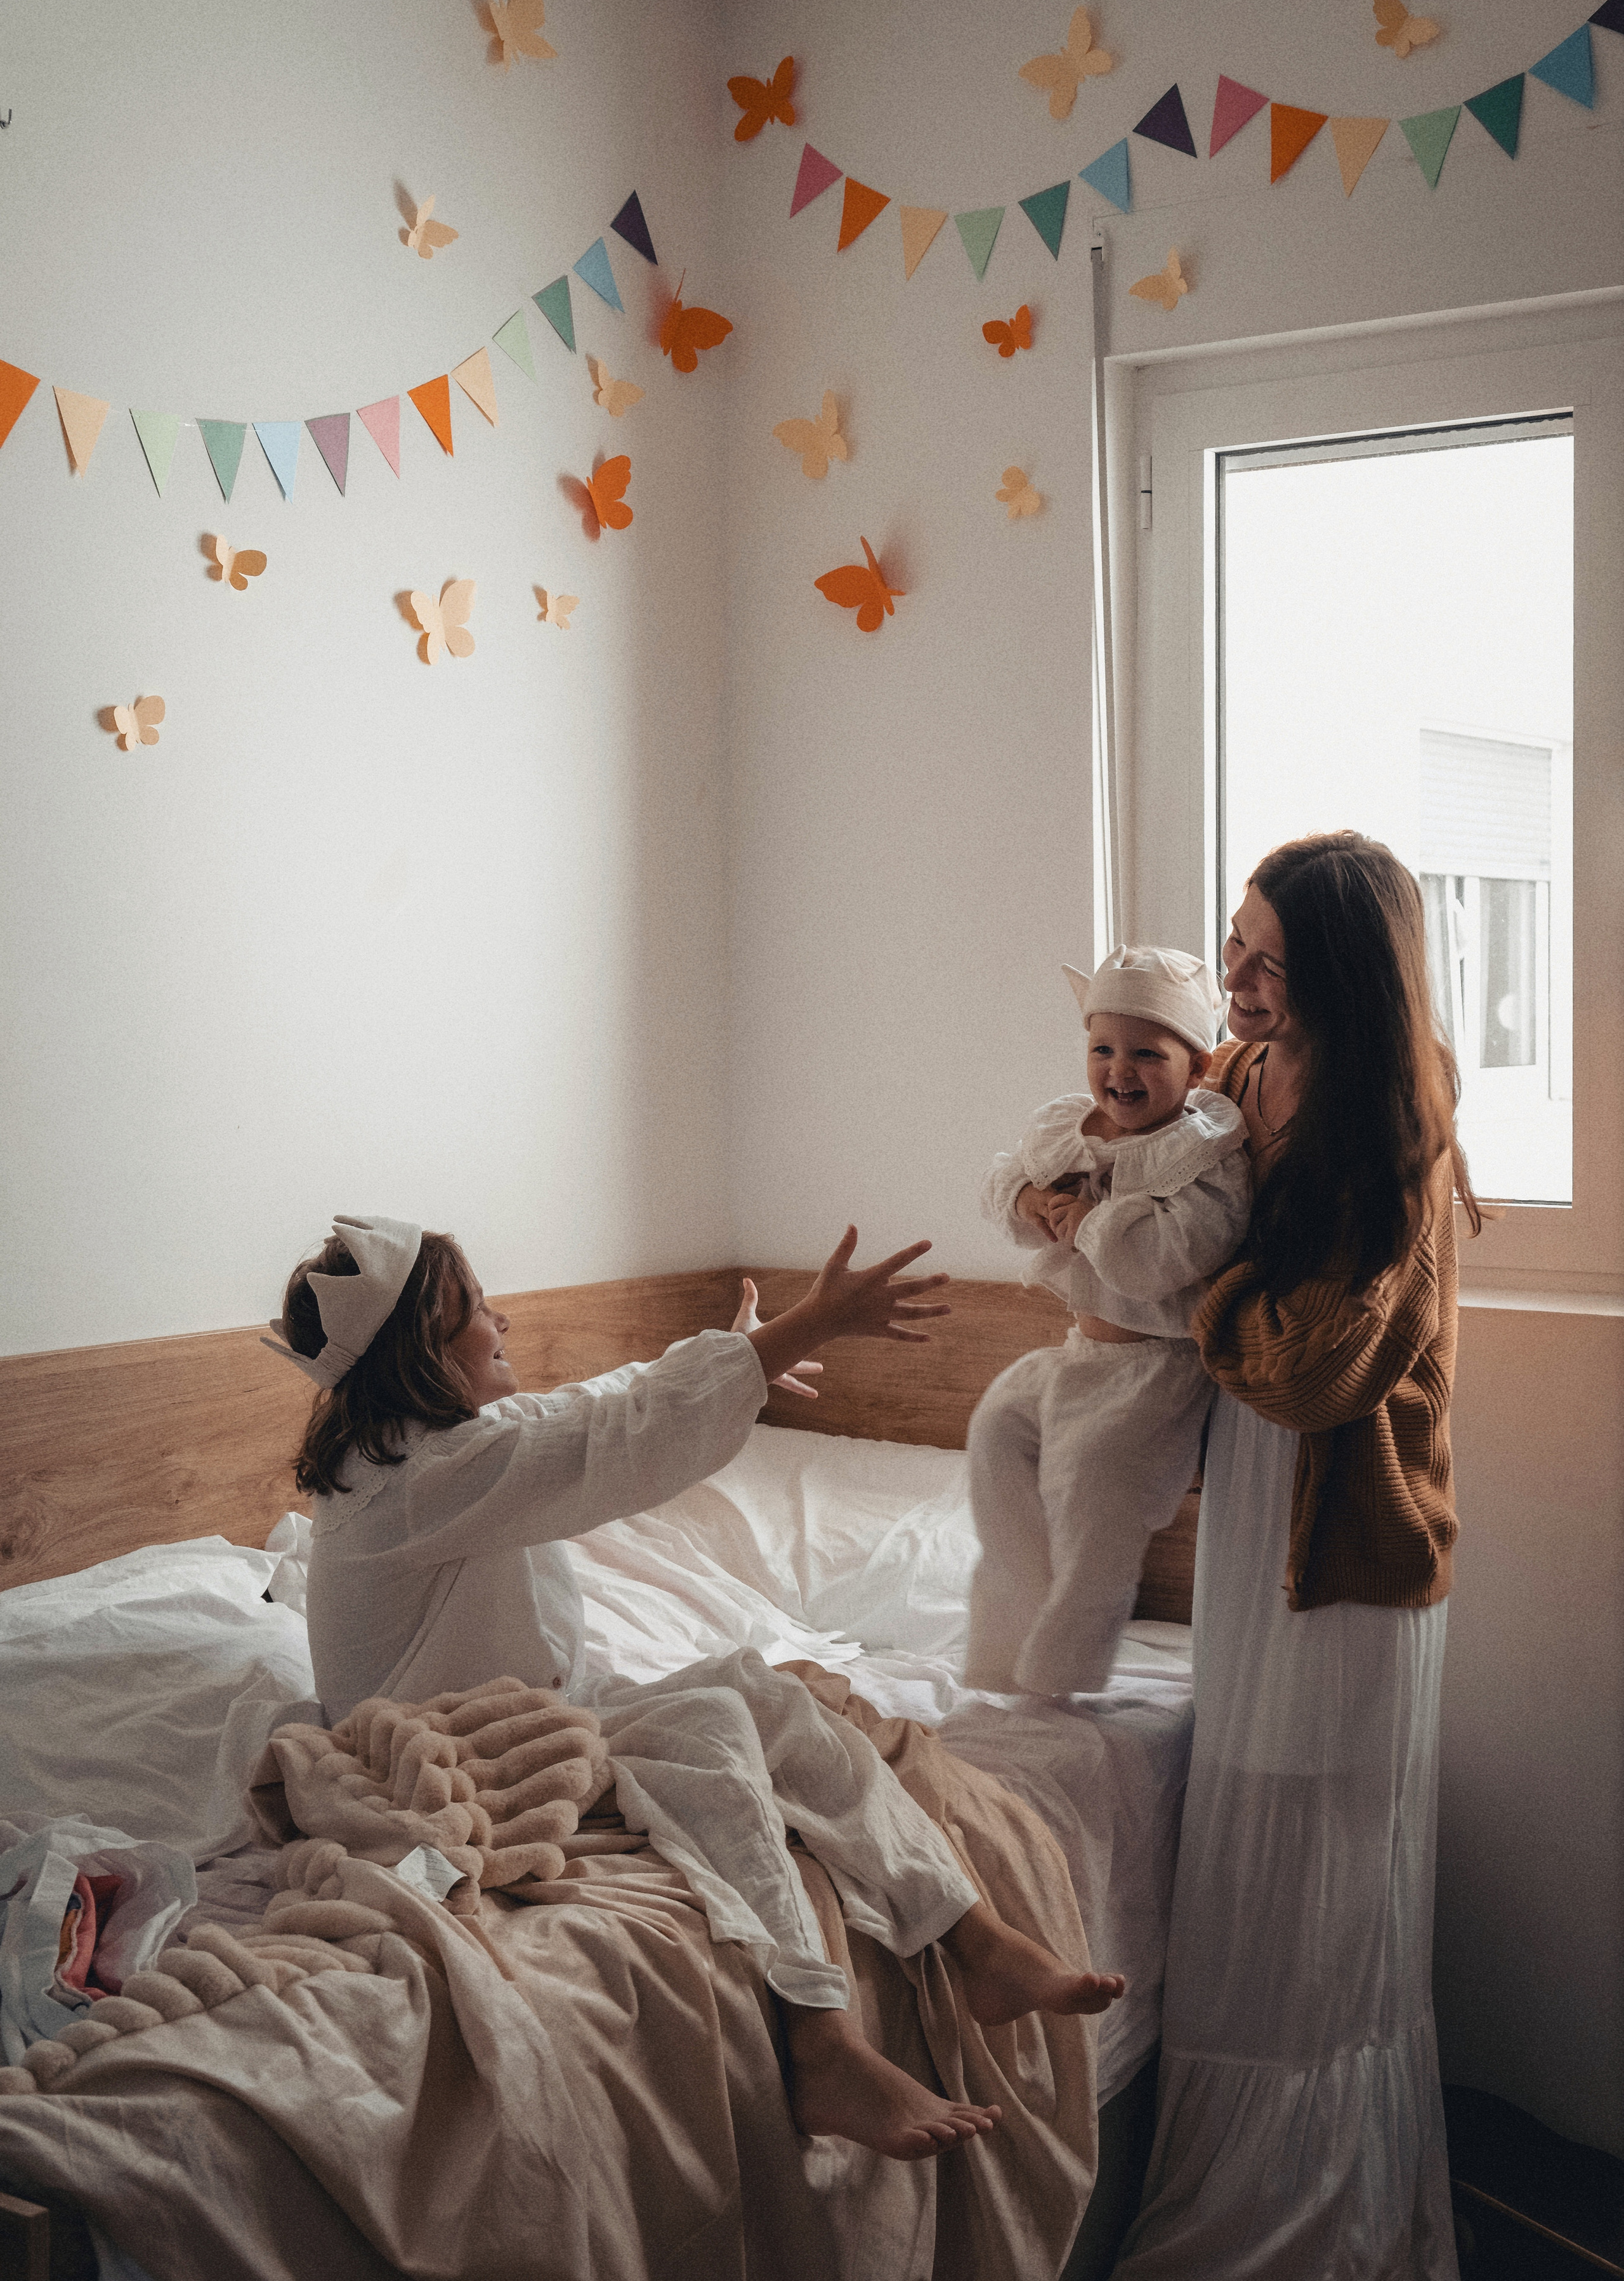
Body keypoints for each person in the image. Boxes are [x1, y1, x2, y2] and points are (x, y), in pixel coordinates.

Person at [267, 1215, 1123, 2163]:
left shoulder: (420, 1449)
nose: (500, 1318)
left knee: (760, 1689)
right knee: (715, 1716)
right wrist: (779, 1341)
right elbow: (606, 1438)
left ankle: (974, 1934)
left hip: (512, 1718)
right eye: (474, 1309)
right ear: (420, 1354)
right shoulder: (421, 1479)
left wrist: (738, 1358)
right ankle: (818, 2031)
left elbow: (587, 1409)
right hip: (454, 1750)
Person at [1113, 833, 1480, 2279]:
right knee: (1251, 1848)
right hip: (1256, 1516)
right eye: (1231, 939)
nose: (1233, 972)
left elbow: (1315, 1358)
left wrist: (1198, 1294)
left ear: (1332, 969)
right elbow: (1142, 1163)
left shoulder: (1389, 1113)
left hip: (1344, 1548)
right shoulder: (1238, 1071)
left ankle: (1316, 2219)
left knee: (1322, 1882)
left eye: (1263, 954)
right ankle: (1242, 2180)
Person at [966, 946, 1252, 1694]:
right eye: (1102, 1048)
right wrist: (1031, 1203)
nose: (1118, 1070)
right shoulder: (1079, 1125)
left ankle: (1059, 1677)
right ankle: (1009, 1646)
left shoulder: (1204, 1151)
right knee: (997, 1429)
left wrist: (1093, 1221)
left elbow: (1173, 1253)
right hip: (1078, 1352)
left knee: (1091, 1498)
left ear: (1196, 1068)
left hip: (1154, 1370)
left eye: (1145, 1054)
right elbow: (1004, 1176)